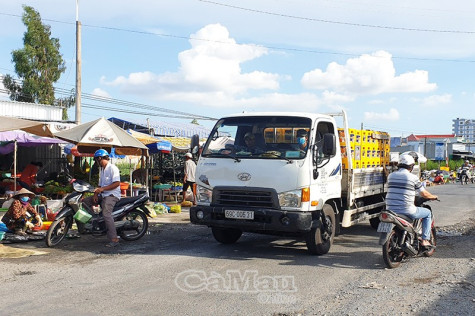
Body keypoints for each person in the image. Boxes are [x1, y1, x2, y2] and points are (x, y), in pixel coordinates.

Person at [386, 154, 438, 248]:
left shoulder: (391, 176)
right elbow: (424, 194)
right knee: (427, 213)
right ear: (411, 166)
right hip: (406, 210)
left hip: (390, 209)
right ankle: (425, 240)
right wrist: (433, 196)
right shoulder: (412, 177)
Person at [82, 149, 121, 247]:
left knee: (106, 214)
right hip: (103, 194)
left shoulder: (113, 168)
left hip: (112, 195)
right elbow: (100, 186)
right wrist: (95, 194)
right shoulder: (102, 170)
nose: (96, 162)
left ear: (100, 158)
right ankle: (95, 223)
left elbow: (117, 183)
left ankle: (114, 239)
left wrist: (102, 189)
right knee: (85, 202)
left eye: (96, 160)